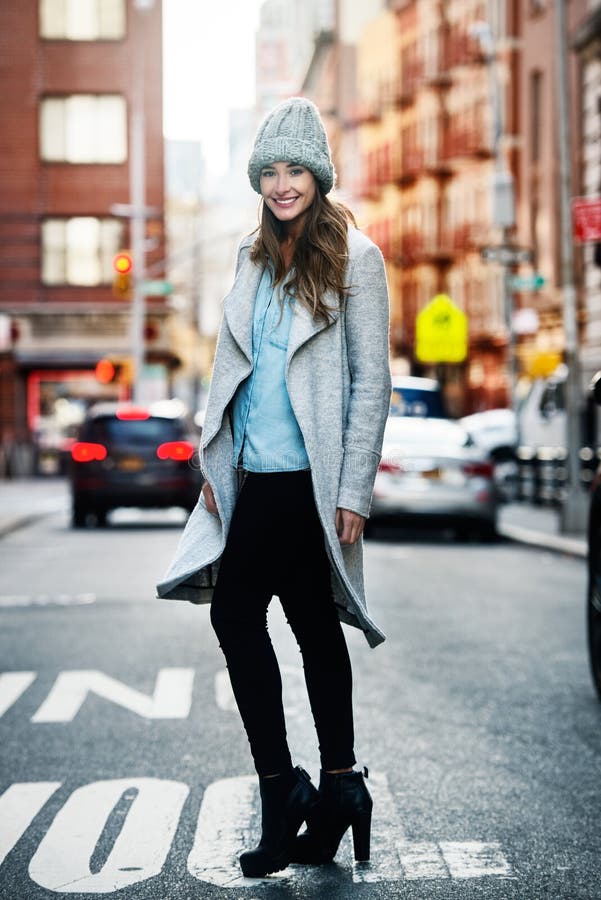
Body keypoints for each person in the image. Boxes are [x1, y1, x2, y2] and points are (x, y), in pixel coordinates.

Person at [156, 96, 391, 878]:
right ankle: (336, 785)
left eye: (296, 170)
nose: (282, 185)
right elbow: (233, 369)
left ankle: (288, 787)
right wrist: (212, 457)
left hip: (313, 481)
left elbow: (371, 383)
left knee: (246, 612)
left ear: (319, 176)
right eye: (270, 171)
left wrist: (354, 485)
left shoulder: (356, 258)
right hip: (253, 474)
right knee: (303, 625)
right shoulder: (249, 256)